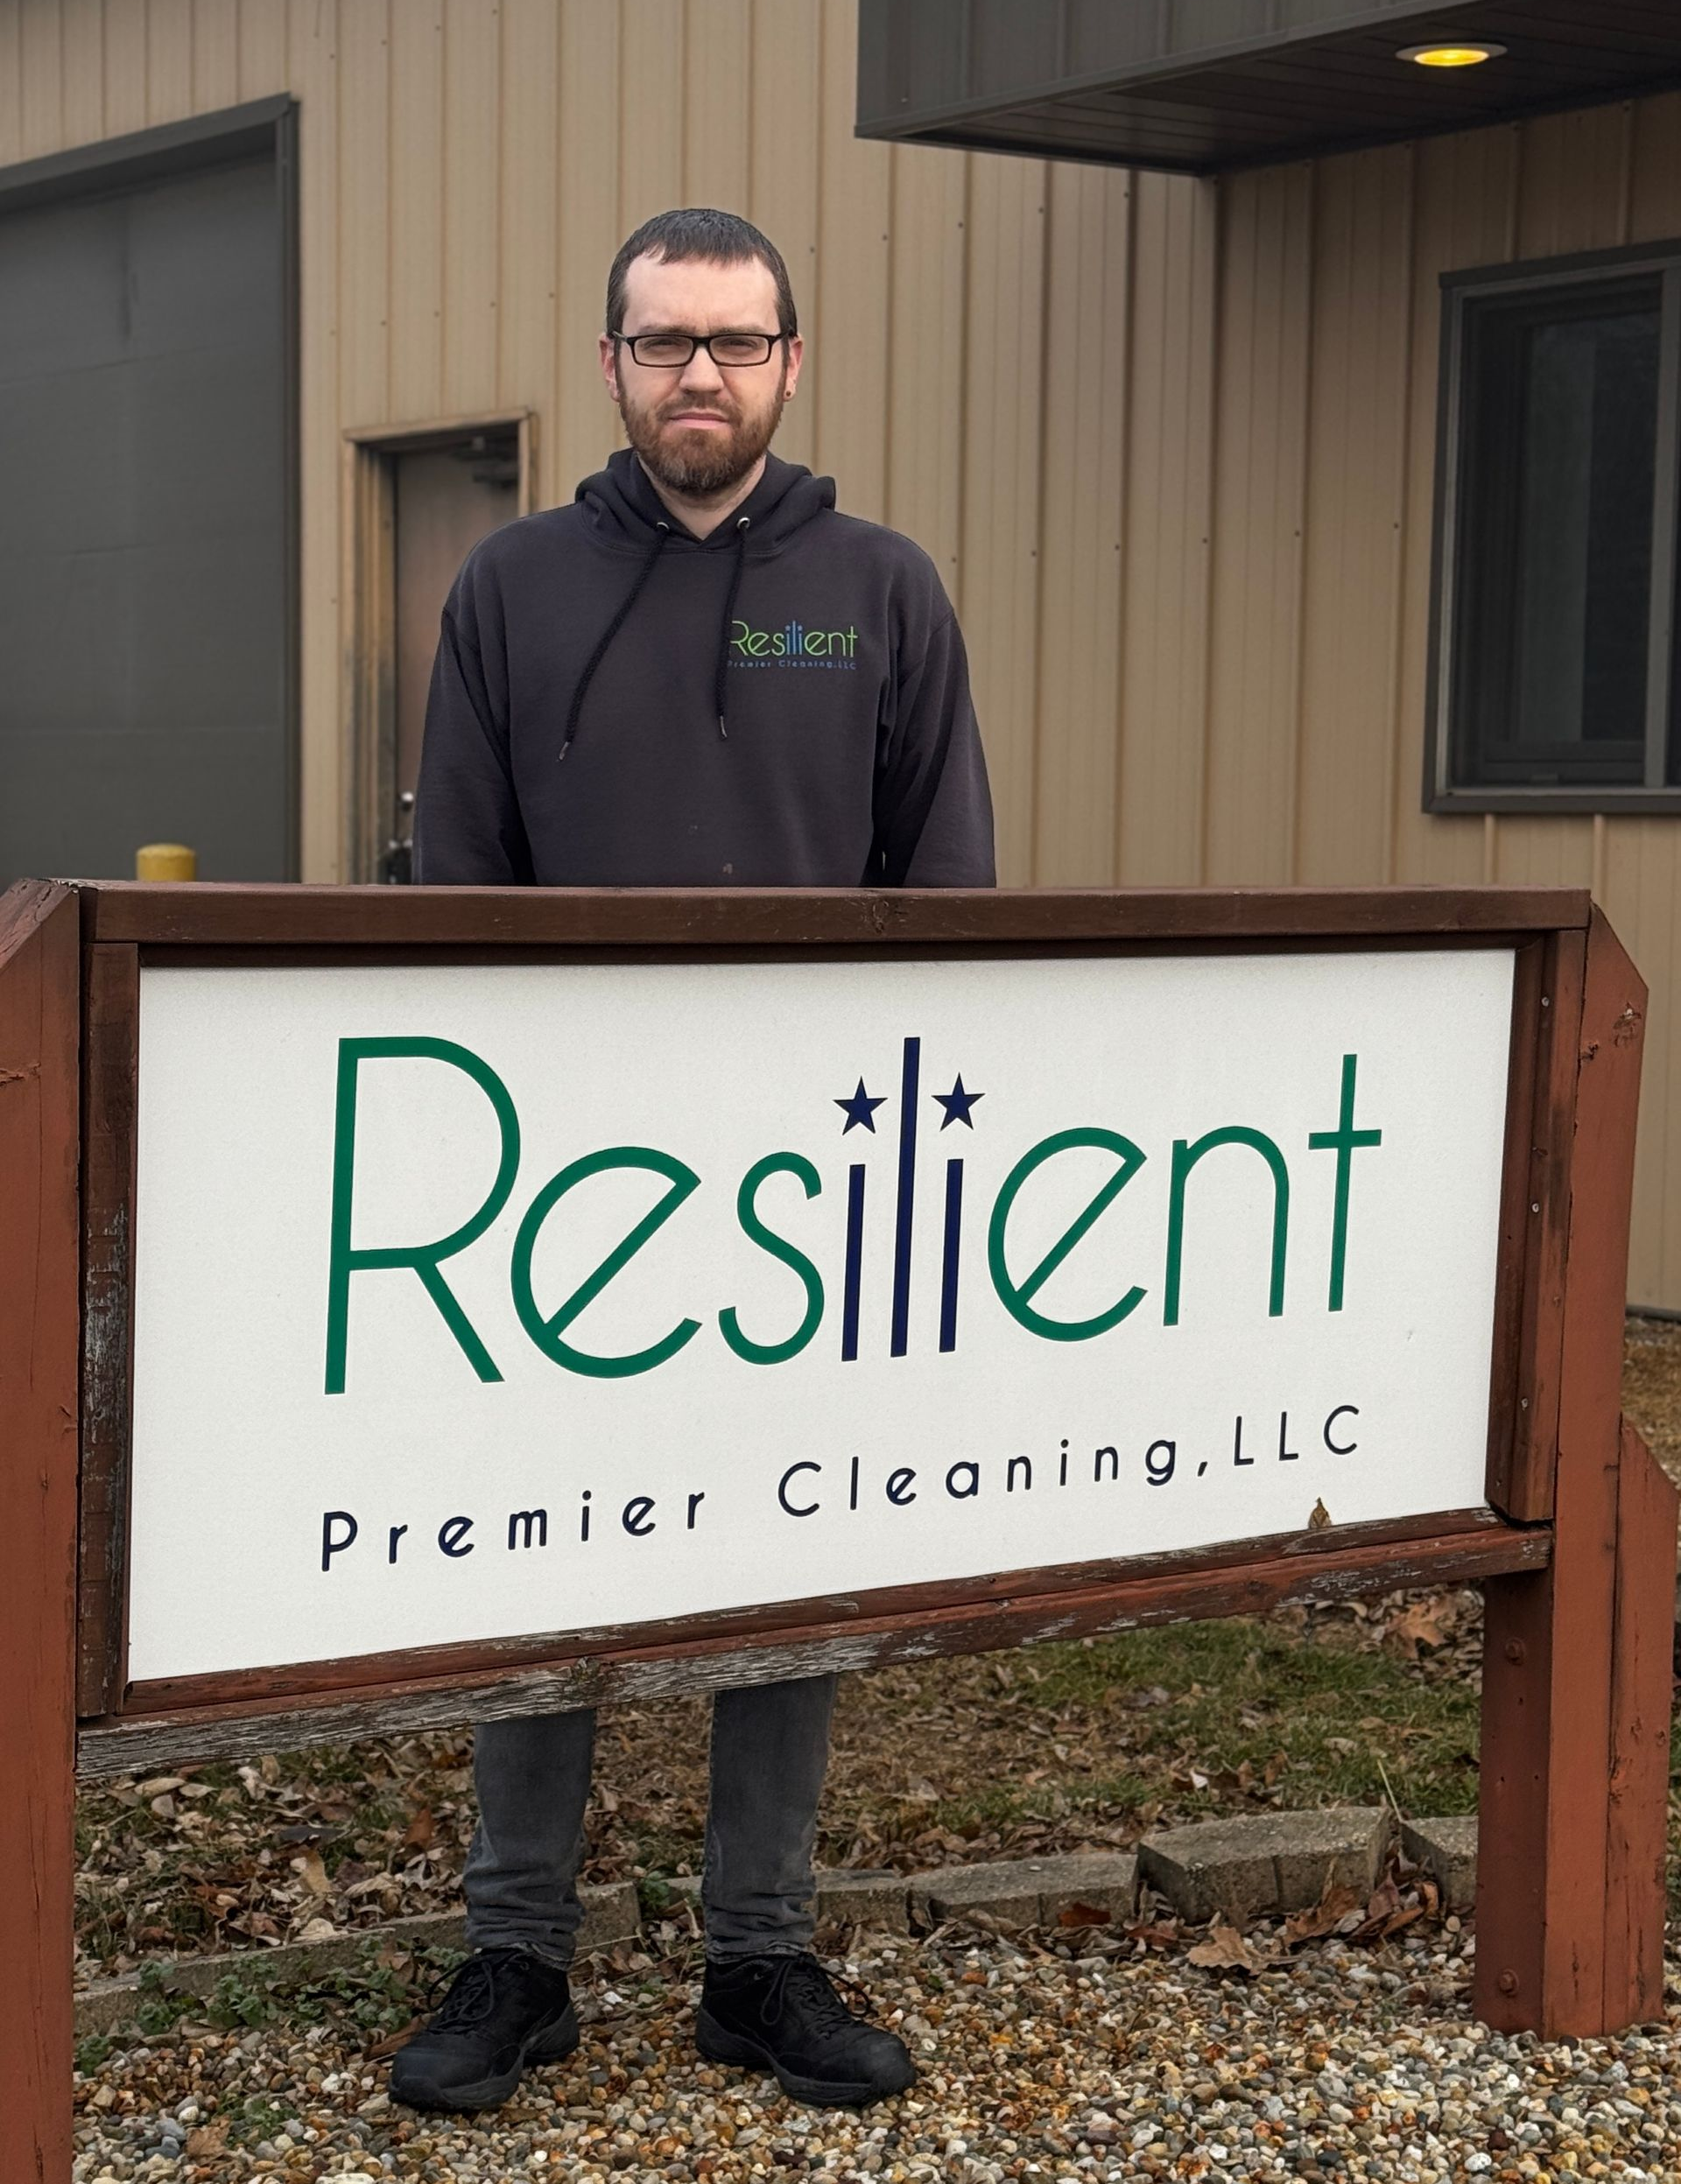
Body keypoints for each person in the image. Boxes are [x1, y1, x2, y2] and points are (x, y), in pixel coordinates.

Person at [391, 207, 995, 2117]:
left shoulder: (874, 592)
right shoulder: (512, 586)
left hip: (808, 1183)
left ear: (790, 361)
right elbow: (456, 890)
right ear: (613, 364)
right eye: (664, 342)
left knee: (787, 1542)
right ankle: (517, 1948)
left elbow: (946, 893)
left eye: (736, 341)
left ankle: (759, 1952)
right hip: (569, 1188)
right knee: (541, 1544)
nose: (700, 375)